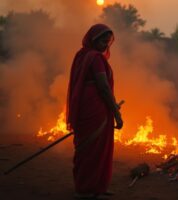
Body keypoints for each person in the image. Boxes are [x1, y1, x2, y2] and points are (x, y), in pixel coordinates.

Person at [66, 24, 123, 199]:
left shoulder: (82, 55)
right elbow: (104, 87)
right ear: (93, 39)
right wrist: (116, 113)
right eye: (102, 40)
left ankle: (97, 186)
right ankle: (85, 188)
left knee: (97, 148)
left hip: (90, 106)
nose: (105, 44)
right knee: (91, 148)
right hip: (94, 109)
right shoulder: (95, 58)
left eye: (107, 41)